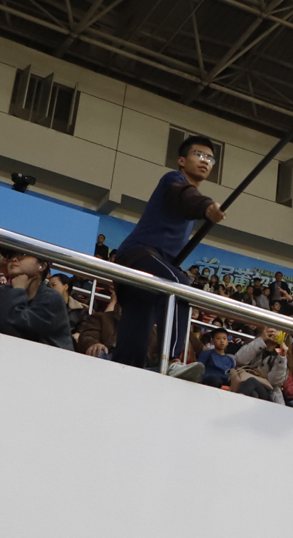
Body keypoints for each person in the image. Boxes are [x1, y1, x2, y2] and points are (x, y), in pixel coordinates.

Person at [112, 134, 223, 375]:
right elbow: (185, 196)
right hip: (137, 255)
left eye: (210, 158)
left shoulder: (189, 206)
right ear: (181, 160)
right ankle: (172, 359)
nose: (205, 161)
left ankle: (122, 375)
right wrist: (206, 207)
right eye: (199, 154)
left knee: (134, 343)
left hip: (149, 276)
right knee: (179, 286)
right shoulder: (173, 180)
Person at [0, 249, 73, 348]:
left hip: (45, 356)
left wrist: (18, 290)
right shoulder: (4, 291)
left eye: (22, 254)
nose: (13, 259)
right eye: (11, 255)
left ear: (41, 266)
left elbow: (17, 328)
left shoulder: (52, 298)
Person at [76, 282, 120, 357]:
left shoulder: (140, 326)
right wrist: (94, 344)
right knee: (99, 352)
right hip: (107, 356)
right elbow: (87, 336)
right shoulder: (100, 318)